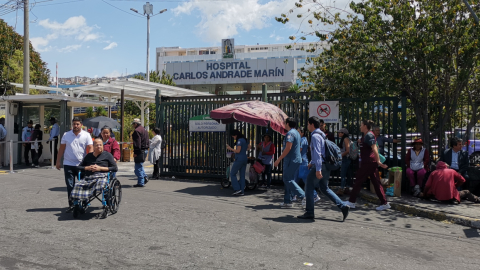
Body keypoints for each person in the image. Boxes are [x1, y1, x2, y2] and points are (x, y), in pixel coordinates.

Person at [297, 116, 350, 220]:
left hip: (320, 166)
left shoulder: (315, 136)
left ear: (312, 124)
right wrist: (312, 162)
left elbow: (317, 153)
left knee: (309, 186)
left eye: (308, 124)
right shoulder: (321, 135)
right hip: (325, 165)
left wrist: (317, 169)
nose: (307, 126)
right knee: (324, 188)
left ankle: (309, 212)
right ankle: (343, 206)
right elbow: (321, 152)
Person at [344, 120, 391, 211]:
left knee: (358, 181)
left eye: (361, 125)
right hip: (369, 162)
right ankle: (384, 203)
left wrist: (378, 161)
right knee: (376, 183)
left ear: (365, 126)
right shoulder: (367, 135)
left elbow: (374, 148)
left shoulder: (369, 135)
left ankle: (351, 202)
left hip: (368, 162)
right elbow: (374, 146)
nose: (360, 126)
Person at [56, 117, 94, 212]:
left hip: (81, 165)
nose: (75, 126)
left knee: (83, 185)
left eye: (77, 124)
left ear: (81, 125)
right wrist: (57, 161)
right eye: (74, 124)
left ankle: (84, 202)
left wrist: (90, 162)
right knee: (70, 186)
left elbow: (90, 148)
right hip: (68, 164)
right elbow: (61, 148)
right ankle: (72, 205)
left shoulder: (86, 135)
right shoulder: (66, 135)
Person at [70, 138, 118, 203]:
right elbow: (78, 167)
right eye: (97, 145)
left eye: (100, 145)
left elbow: (115, 168)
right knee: (78, 185)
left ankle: (105, 203)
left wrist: (100, 168)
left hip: (102, 176)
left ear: (103, 146)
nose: (99, 146)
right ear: (93, 147)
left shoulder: (108, 155)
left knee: (101, 185)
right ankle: (78, 203)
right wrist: (87, 168)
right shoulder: (88, 156)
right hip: (88, 177)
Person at [273, 117, 306, 208]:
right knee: (289, 180)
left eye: (284, 123)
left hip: (291, 160)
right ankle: (288, 201)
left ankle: (303, 196)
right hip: (295, 160)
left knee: (287, 179)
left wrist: (279, 159)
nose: (283, 124)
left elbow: (288, 148)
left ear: (287, 124)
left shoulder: (290, 133)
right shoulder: (296, 132)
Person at [293, 127, 320, 202]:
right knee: (295, 179)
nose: (297, 133)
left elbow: (299, 150)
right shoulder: (304, 139)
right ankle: (294, 195)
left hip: (302, 162)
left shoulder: (302, 140)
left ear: (302, 133)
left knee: (305, 180)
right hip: (300, 161)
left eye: (298, 132)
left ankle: (315, 195)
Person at [227, 130, 249, 195]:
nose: (233, 138)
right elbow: (249, 147)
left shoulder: (239, 141)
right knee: (242, 175)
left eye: (233, 136)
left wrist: (230, 149)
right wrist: (244, 150)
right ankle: (242, 191)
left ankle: (237, 188)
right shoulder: (245, 140)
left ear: (236, 135)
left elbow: (238, 151)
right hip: (244, 158)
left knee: (232, 173)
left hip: (239, 159)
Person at [132, 118, 150, 187]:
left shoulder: (137, 131)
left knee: (137, 167)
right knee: (140, 165)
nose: (133, 125)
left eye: (133, 124)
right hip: (145, 149)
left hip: (140, 151)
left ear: (136, 124)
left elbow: (137, 143)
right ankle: (145, 177)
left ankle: (141, 182)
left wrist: (136, 152)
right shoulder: (144, 130)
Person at [336, 128, 352, 196]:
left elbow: (347, 150)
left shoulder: (345, 139)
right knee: (347, 174)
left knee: (343, 174)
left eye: (340, 132)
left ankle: (341, 188)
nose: (339, 133)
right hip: (346, 158)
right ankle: (347, 188)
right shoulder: (344, 139)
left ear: (343, 133)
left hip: (345, 158)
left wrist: (341, 156)